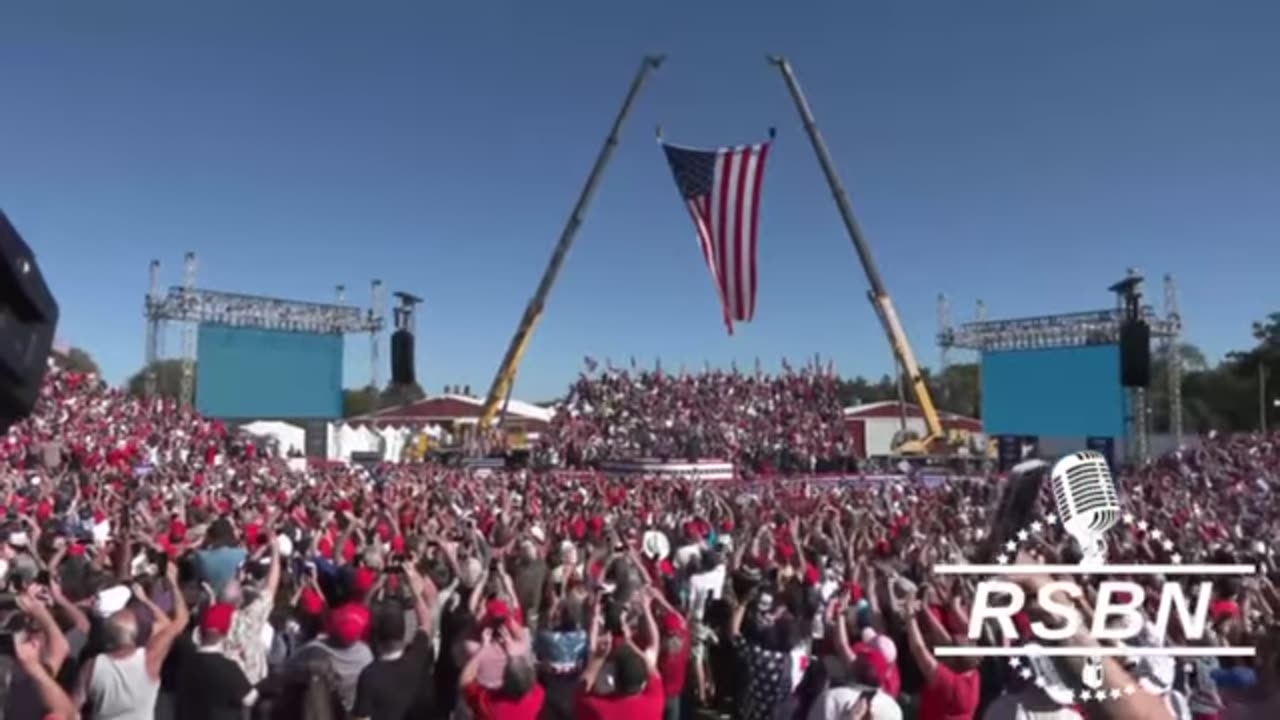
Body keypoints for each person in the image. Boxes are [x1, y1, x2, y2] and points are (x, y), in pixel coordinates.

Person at [75, 558, 189, 719]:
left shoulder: (90, 664)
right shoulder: (149, 659)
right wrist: (173, 584)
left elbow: (73, 709)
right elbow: (181, 620)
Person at [353, 562, 438, 720]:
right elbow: (426, 623)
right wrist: (415, 592)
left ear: (376, 637)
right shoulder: (416, 656)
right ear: (404, 633)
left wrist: (377, 585)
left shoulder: (370, 675)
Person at [175, 602, 257, 719]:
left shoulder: (187, 661)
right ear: (225, 634)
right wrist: (241, 664)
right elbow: (250, 698)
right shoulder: (228, 666)